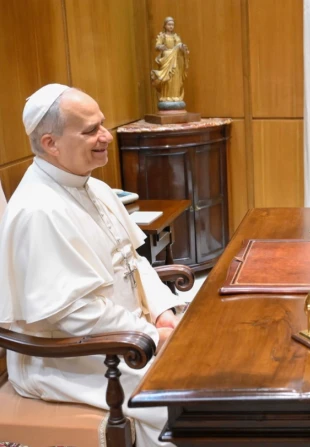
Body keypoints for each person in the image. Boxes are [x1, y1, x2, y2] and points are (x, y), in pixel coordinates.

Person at [0, 84, 185, 447]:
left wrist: (163, 311)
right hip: (67, 357)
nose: (106, 136)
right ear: (51, 143)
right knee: (179, 403)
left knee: (205, 377)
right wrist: (150, 336)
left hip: (121, 336)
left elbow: (133, 261)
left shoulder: (94, 187)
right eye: (90, 130)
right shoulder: (38, 210)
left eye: (102, 124)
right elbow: (74, 314)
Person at [150, 16, 189, 108]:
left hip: (175, 61)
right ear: (165, 25)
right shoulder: (162, 36)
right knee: (167, 79)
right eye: (169, 24)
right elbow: (157, 46)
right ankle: (166, 96)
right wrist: (161, 47)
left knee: (175, 78)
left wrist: (183, 48)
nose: (171, 26)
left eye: (172, 25)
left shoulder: (176, 37)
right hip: (167, 59)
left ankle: (175, 96)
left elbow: (179, 46)